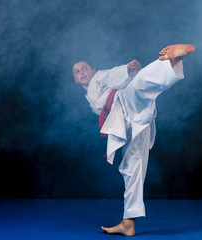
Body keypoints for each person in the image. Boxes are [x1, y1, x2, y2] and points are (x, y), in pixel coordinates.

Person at [73, 44, 195, 236]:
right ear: (75, 79)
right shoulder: (89, 96)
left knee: (138, 85)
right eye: (77, 71)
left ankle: (173, 60)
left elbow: (112, 75)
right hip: (128, 122)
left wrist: (127, 70)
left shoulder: (99, 77)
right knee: (130, 167)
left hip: (125, 103)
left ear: (93, 70)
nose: (82, 72)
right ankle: (128, 222)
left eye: (85, 68)